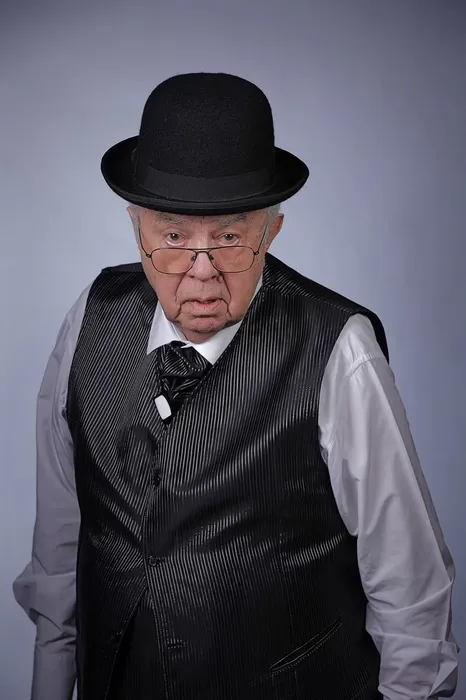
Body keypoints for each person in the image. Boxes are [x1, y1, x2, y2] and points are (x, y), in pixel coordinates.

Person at [13, 72, 458, 700]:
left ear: (270, 231)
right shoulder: (90, 320)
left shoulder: (341, 351)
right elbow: (58, 566)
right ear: (137, 229)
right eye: (173, 238)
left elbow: (414, 609)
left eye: (228, 238)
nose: (202, 274)